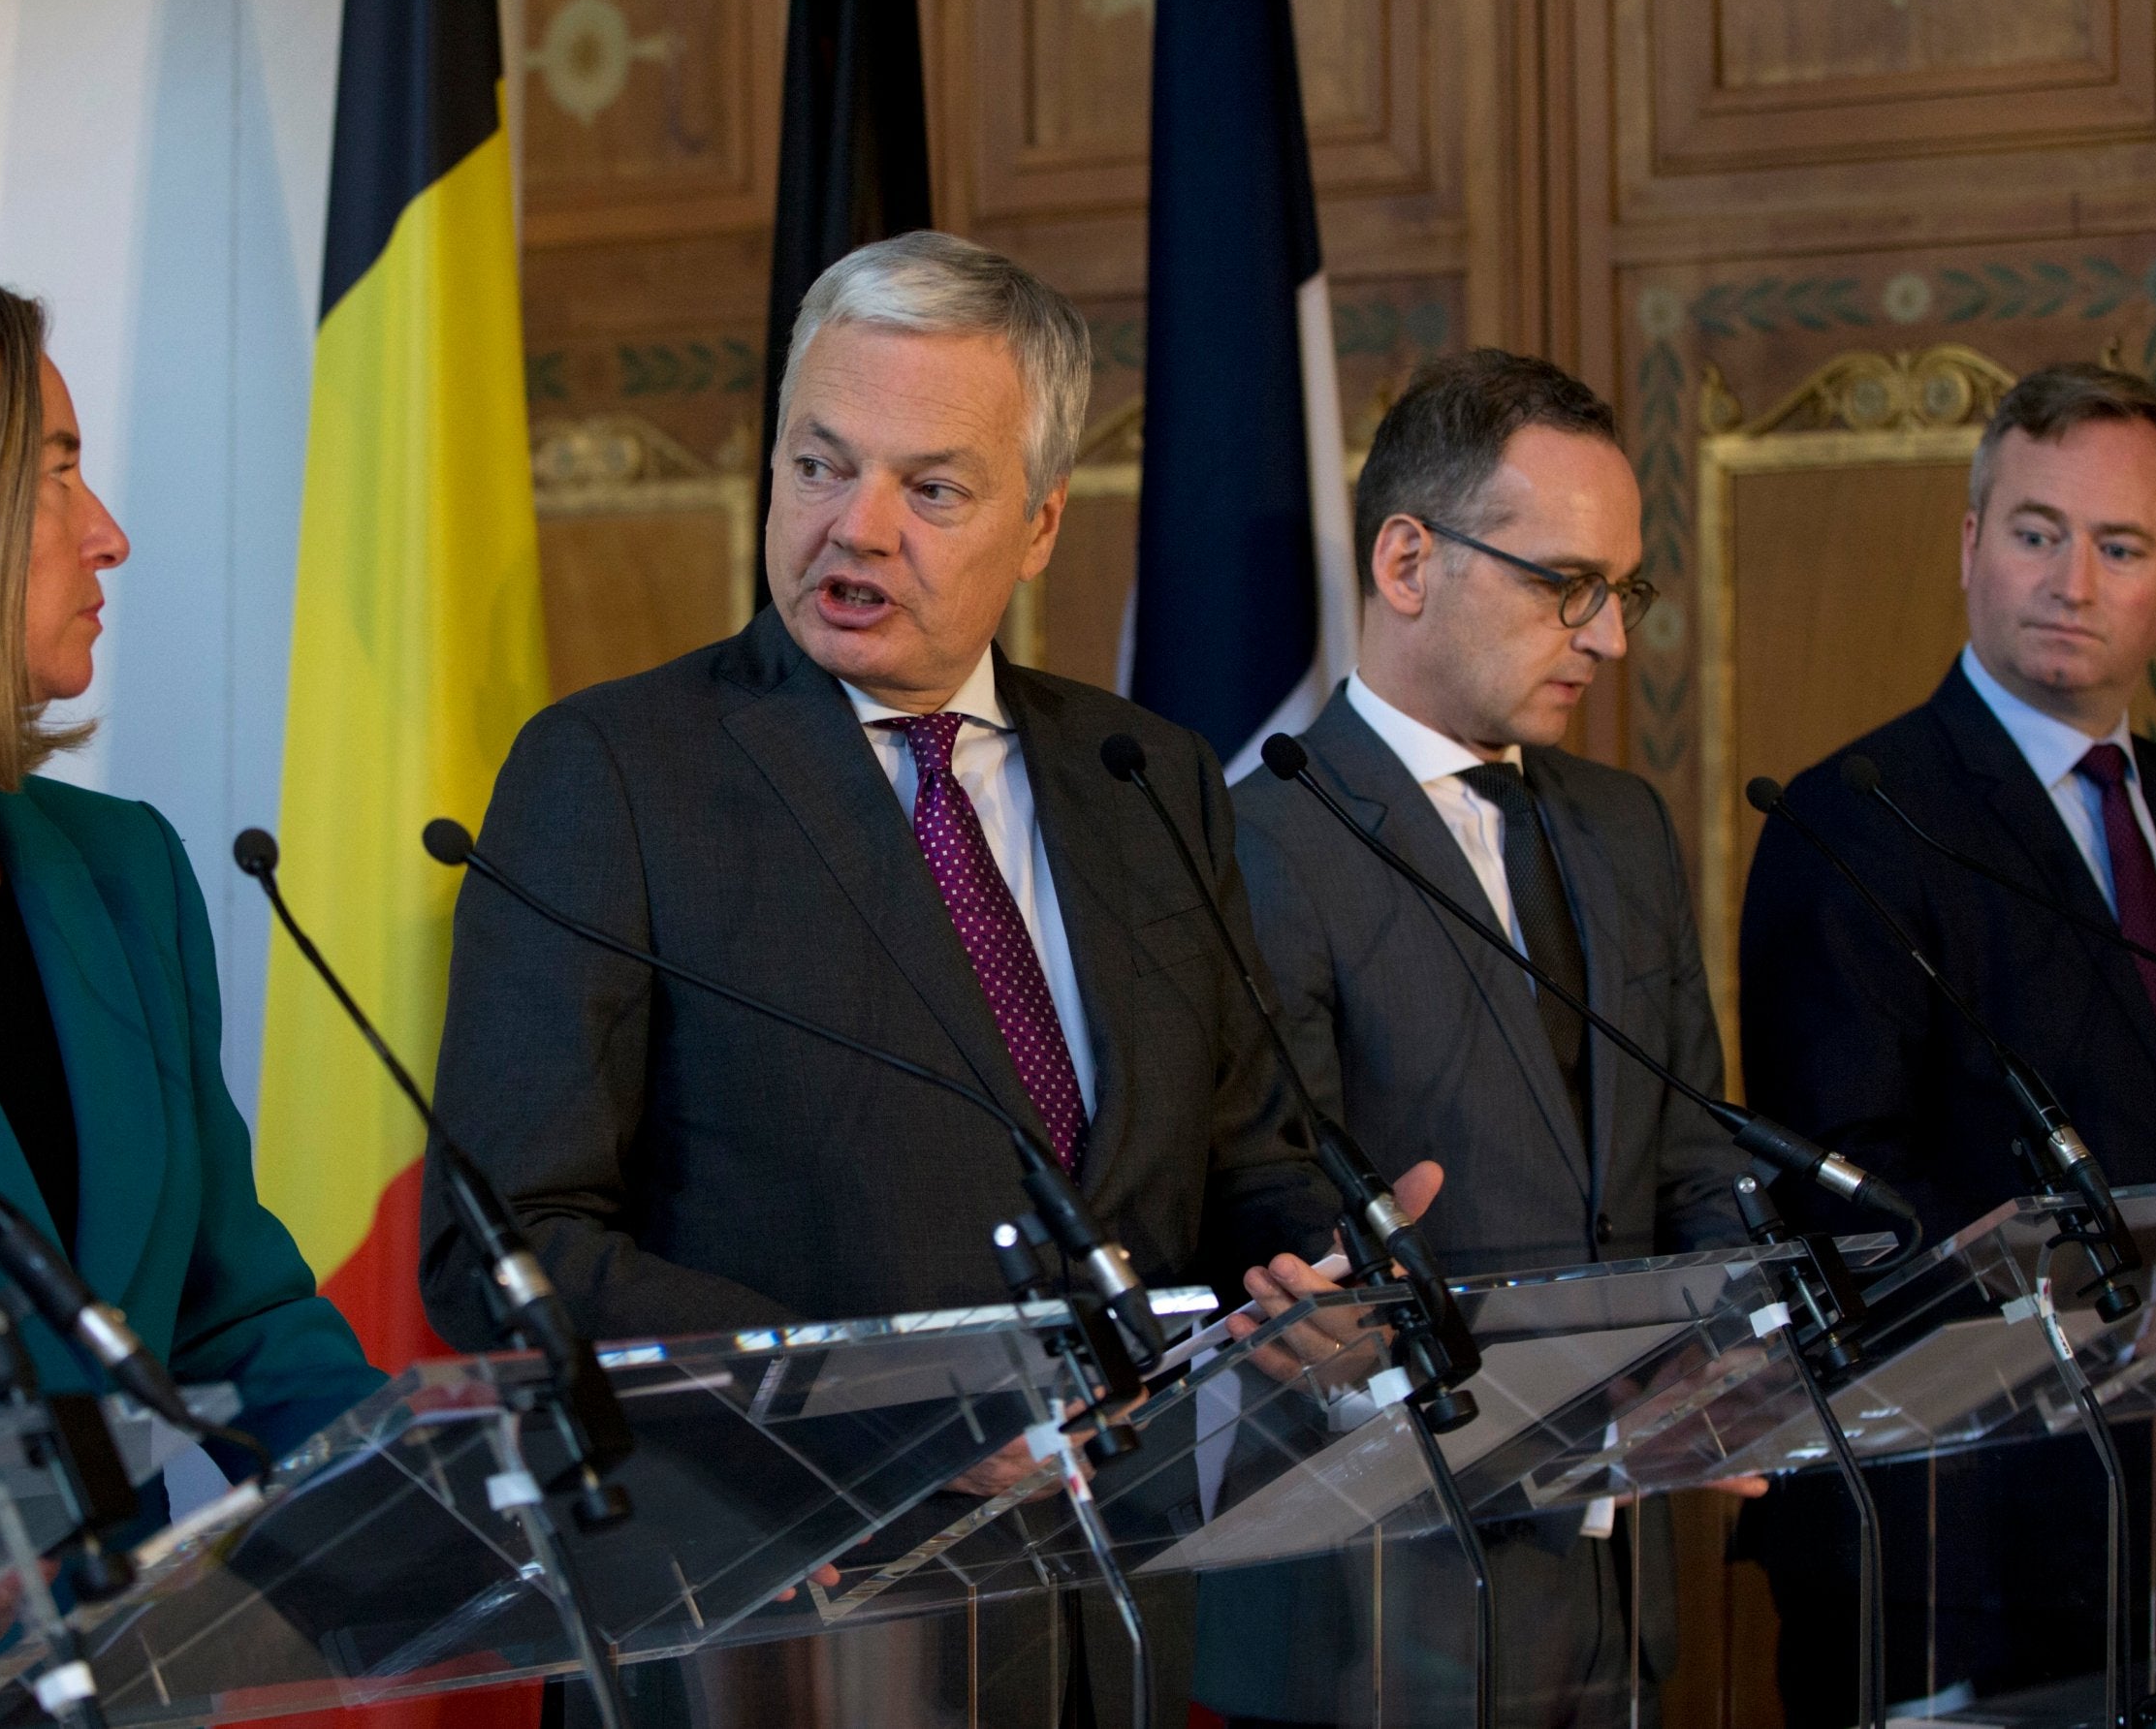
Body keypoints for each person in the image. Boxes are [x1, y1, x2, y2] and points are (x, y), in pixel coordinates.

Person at [426, 230, 1437, 1722]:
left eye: (932, 488)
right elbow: (509, 1249)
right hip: (772, 1634)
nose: (857, 527)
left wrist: (1321, 1275)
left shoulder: (1141, 773)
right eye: (820, 465)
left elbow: (1235, 1160)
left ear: (1038, 525)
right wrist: (882, 1416)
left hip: (1105, 1627)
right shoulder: (617, 773)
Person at [0, 262, 381, 1729]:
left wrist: (433, 1500)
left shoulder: (123, 871)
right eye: (56, 477)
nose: (108, 535)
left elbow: (230, 1311)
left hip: (118, 1686)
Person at [1224, 349, 1754, 1727]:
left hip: (1616, 1592)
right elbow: (1276, 1217)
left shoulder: (1622, 826)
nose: (1610, 638)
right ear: (1408, 563)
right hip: (1378, 1611)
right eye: (1565, 587)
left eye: (1622, 592)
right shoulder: (1254, 844)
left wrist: (1729, 1360)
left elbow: (1690, 1149)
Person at [1736, 362, 2156, 1718]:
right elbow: (1845, 1197)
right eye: (2038, 533)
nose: (2075, 582)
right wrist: (2120, 1303)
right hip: (1961, 1547)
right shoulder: (1858, 817)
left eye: (2121, 547)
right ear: (1970, 543)